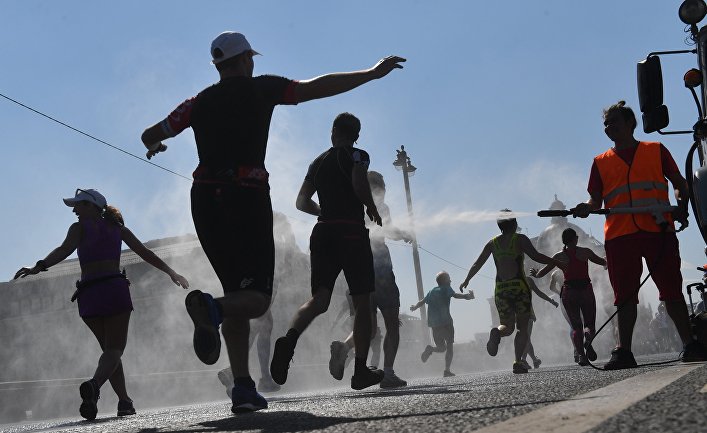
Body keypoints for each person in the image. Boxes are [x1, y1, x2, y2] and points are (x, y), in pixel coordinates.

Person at [141, 31, 404, 411]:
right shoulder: (262, 89)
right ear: (246, 59)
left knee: (236, 292)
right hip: (246, 197)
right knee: (257, 300)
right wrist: (370, 73)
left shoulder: (196, 103)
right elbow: (317, 87)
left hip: (204, 200)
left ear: (218, 65)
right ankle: (211, 310)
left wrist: (155, 144)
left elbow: (151, 133)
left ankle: (244, 387)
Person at [14, 188, 189, 420]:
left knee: (110, 351)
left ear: (92, 206)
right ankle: (95, 386)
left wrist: (38, 266)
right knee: (114, 350)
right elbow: (144, 253)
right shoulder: (118, 229)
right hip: (113, 289)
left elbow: (63, 250)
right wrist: (171, 272)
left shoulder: (78, 229)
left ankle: (124, 401)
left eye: (78, 205)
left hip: (88, 294)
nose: (74, 210)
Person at [573, 100, 707, 369]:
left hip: (658, 230)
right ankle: (624, 351)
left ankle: (690, 345)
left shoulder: (656, 150)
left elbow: (679, 184)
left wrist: (680, 205)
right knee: (624, 296)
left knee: (671, 290)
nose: (609, 127)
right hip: (620, 236)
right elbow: (594, 201)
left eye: (614, 122)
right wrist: (585, 209)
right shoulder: (600, 162)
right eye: (606, 124)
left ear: (630, 123)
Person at [270, 113, 385, 391]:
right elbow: (359, 183)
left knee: (319, 300)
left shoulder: (317, 162)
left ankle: (289, 340)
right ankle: (359, 371)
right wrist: (370, 205)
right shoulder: (358, 155)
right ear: (356, 135)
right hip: (351, 233)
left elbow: (301, 202)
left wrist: (324, 212)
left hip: (323, 233)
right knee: (362, 305)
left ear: (333, 132)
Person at [328, 171, 411, 388]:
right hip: (381, 271)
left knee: (369, 328)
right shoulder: (380, 207)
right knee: (392, 324)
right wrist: (404, 234)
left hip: (357, 269)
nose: (383, 190)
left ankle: (344, 348)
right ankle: (389, 374)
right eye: (380, 186)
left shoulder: (351, 205)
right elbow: (388, 230)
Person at [459, 210, 565, 374]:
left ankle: (496, 332)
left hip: (501, 289)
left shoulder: (492, 243)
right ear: (515, 224)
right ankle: (518, 362)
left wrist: (467, 279)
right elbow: (536, 256)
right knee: (522, 328)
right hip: (519, 287)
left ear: (499, 225)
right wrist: (556, 261)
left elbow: (477, 263)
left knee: (507, 327)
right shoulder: (520, 239)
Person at [529, 228, 606, 366]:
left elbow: (542, 273)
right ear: (575, 239)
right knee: (589, 324)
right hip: (585, 290)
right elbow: (602, 262)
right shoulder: (585, 252)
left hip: (569, 292)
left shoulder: (558, 256)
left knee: (576, 327)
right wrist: (608, 259)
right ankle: (588, 338)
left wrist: (535, 274)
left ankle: (582, 356)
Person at [411, 271, 473, 377]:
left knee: (441, 348)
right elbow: (455, 295)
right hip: (446, 323)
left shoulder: (431, 291)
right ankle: (447, 370)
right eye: (449, 278)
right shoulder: (446, 288)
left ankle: (430, 349)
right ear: (444, 280)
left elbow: (422, 301)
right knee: (449, 347)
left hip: (434, 325)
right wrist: (467, 296)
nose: (450, 280)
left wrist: (415, 307)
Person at [519, 278, 559, 370]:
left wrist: (550, 300)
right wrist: (551, 301)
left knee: (525, 337)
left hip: (517, 314)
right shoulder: (528, 280)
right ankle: (525, 360)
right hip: (527, 312)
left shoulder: (513, 279)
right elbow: (539, 293)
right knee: (526, 337)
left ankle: (531, 359)